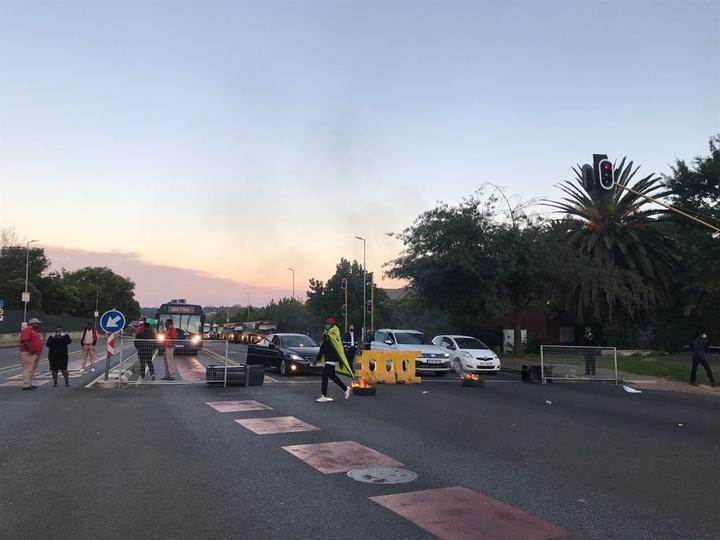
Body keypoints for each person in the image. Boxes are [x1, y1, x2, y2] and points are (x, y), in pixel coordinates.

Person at [314, 316, 353, 403]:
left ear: (331, 324)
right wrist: (317, 359)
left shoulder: (335, 334)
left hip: (332, 358)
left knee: (324, 374)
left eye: (327, 324)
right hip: (328, 358)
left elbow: (339, 348)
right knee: (331, 375)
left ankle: (323, 395)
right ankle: (346, 388)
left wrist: (340, 361)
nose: (326, 325)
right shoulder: (326, 335)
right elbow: (322, 349)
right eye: (325, 324)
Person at [19, 318, 43, 390]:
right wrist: (30, 349)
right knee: (28, 368)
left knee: (33, 368)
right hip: (28, 352)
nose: (38, 325)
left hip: (36, 352)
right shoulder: (27, 330)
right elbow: (25, 340)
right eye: (37, 323)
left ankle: (29, 383)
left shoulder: (34, 331)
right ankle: (26, 384)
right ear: (32, 323)